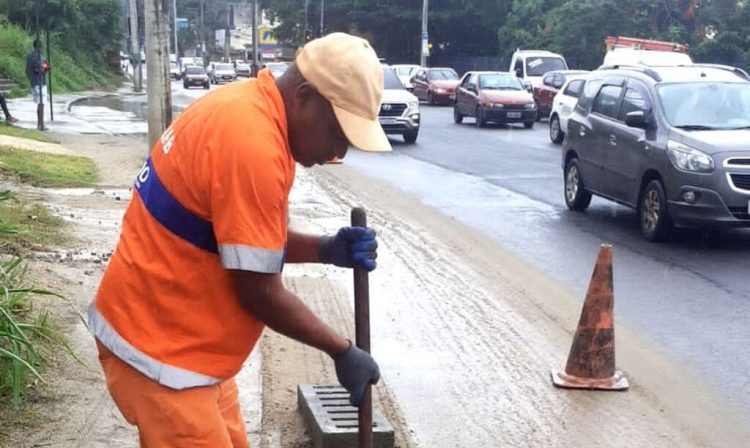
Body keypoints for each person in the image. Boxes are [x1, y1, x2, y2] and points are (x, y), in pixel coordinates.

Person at [88, 32, 391, 447]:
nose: (338, 151)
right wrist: (340, 351)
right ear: (304, 96)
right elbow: (259, 291)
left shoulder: (251, 110)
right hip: (162, 354)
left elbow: (241, 239)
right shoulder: (252, 145)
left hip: (189, 349)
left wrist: (324, 249)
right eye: (339, 134)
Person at [25, 39, 48, 130]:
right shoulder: (38, 57)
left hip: (36, 82)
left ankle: (40, 123)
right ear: (39, 47)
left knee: (40, 103)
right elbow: (42, 69)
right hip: (39, 82)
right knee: (41, 103)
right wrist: (42, 69)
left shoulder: (32, 57)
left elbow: (28, 71)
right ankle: (40, 124)